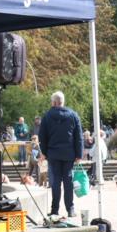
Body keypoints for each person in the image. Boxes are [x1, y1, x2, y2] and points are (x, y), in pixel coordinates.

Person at [37, 91, 83, 219]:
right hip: (69, 154)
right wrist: (79, 154)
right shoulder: (73, 115)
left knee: (55, 182)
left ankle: (54, 210)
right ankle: (70, 209)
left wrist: (44, 153)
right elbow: (78, 137)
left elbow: (42, 136)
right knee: (68, 181)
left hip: (53, 154)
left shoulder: (47, 116)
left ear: (53, 102)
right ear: (62, 102)